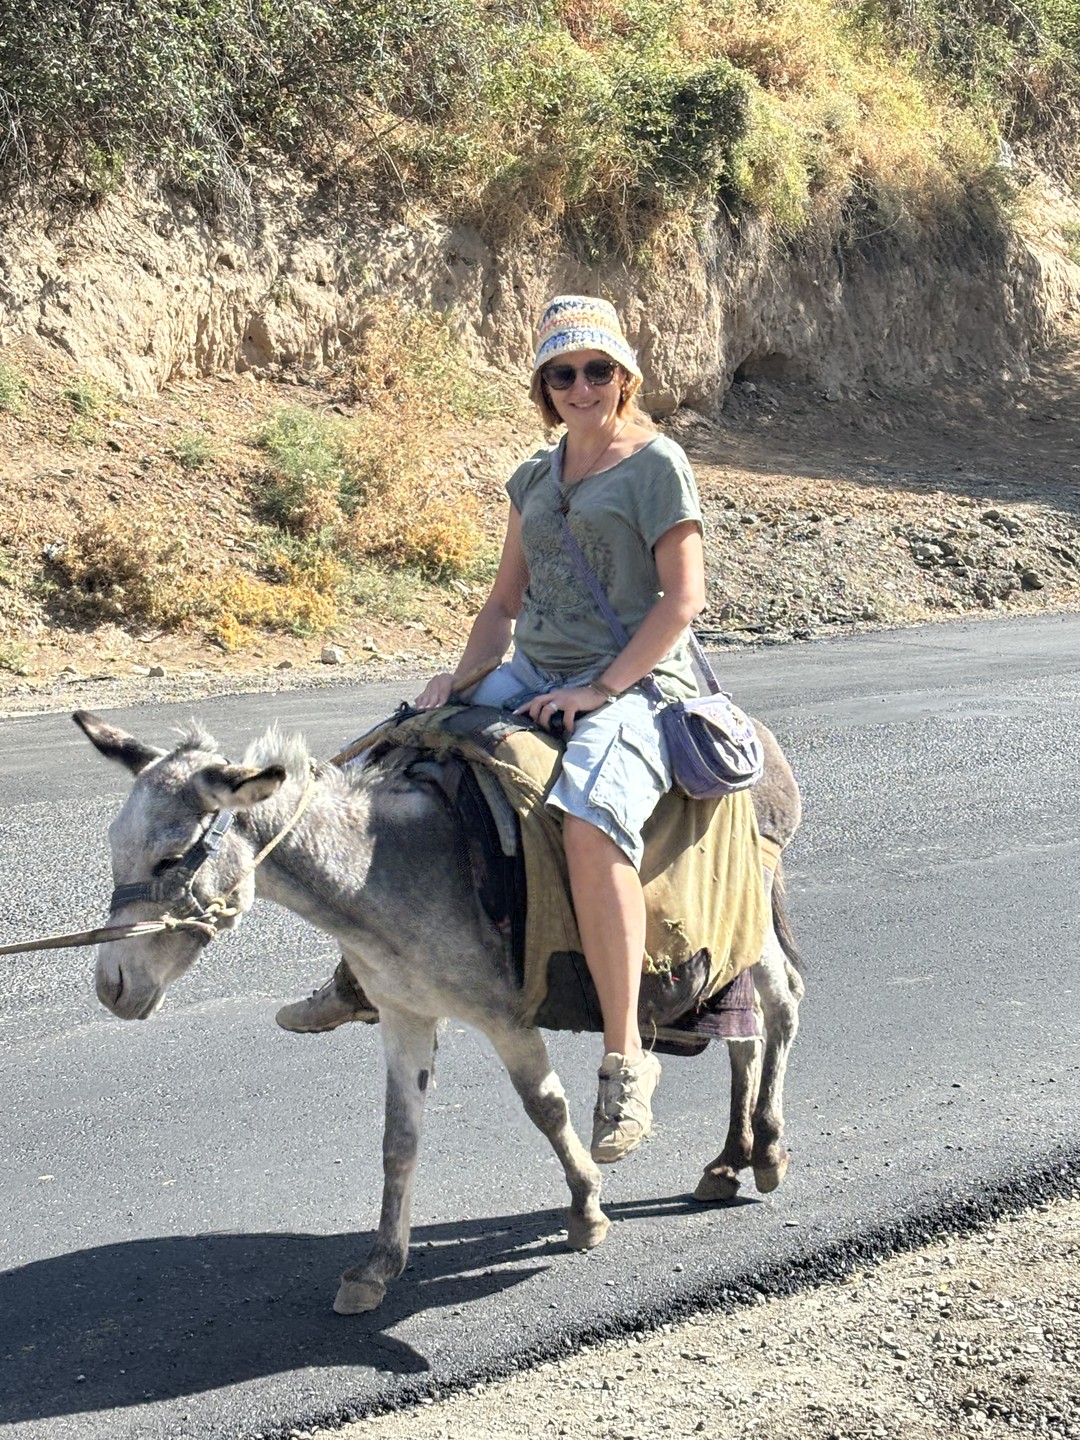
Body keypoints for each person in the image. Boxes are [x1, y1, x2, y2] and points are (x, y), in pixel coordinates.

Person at [276, 295, 707, 1164]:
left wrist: (600, 691)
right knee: (400, 759)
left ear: (623, 377)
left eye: (596, 369)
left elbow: (682, 602)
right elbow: (504, 604)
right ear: (544, 388)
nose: (581, 386)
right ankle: (362, 974)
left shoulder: (657, 465)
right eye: (563, 373)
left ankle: (626, 1060)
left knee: (590, 825)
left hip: (635, 681)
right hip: (535, 669)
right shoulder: (534, 479)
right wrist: (461, 680)